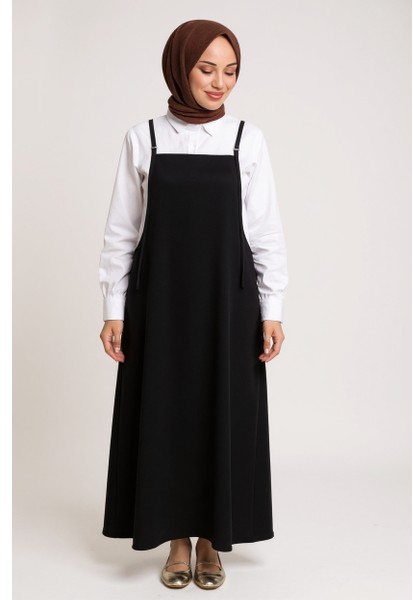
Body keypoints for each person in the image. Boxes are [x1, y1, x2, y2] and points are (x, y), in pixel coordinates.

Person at [98, 19, 288, 590]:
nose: (219, 82)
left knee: (222, 413)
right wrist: (113, 309)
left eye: (230, 71)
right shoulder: (144, 138)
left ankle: (211, 541)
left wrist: (273, 309)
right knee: (166, 414)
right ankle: (176, 540)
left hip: (229, 305)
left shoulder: (246, 138)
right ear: (179, 68)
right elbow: (121, 231)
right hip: (159, 304)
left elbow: (266, 232)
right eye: (206, 69)